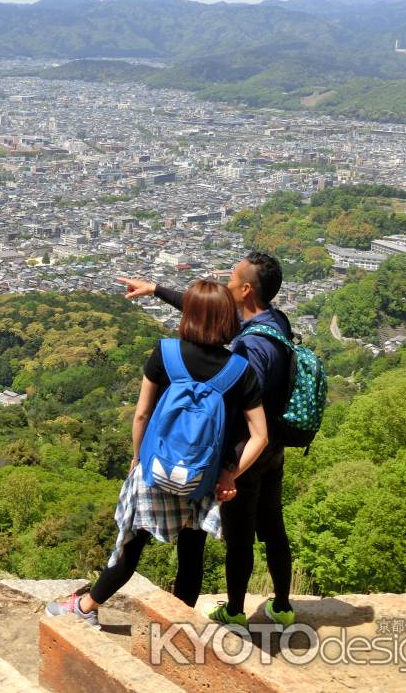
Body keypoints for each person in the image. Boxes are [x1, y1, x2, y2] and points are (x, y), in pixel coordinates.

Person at [46, 280, 269, 628]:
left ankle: (87, 607)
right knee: (191, 554)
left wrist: (137, 459)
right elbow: (260, 436)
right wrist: (229, 475)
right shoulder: (240, 371)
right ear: (229, 319)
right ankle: (175, 626)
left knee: (131, 545)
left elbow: (141, 414)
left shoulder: (165, 353)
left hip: (155, 470)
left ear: (189, 316)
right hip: (202, 478)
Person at [115, 251, 297, 628]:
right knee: (274, 527)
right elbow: (207, 313)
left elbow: (244, 413)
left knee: (240, 537)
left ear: (245, 290)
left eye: (232, 278)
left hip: (244, 453)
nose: (226, 282)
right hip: (274, 447)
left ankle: (234, 612)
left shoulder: (250, 348)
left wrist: (227, 467)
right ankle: (281, 604)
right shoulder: (275, 321)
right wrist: (156, 290)